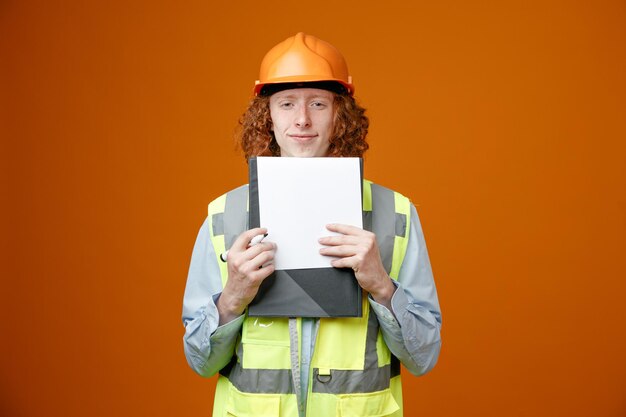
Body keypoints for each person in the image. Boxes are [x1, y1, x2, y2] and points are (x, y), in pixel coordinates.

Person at [182, 32, 442, 417]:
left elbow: (424, 357)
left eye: (318, 104)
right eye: (286, 104)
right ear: (266, 116)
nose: (302, 119)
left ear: (341, 115)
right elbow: (200, 361)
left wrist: (381, 286)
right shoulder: (224, 215)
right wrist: (233, 297)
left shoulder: (396, 214)